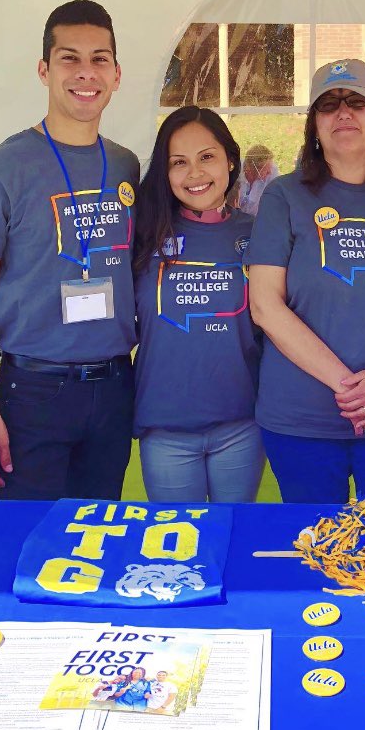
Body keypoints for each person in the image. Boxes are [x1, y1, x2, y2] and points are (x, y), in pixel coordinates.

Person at [0, 0, 139, 500]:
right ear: (44, 69)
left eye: (99, 59)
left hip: (115, 386)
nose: (85, 73)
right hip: (33, 391)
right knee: (31, 545)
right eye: (69, 58)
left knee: (97, 538)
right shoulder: (0, 169)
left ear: (117, 74)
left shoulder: (126, 166)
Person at [244, 59, 365, 504]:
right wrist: (352, 388)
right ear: (314, 124)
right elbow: (265, 305)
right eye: (328, 104)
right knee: (315, 558)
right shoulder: (284, 197)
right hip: (302, 419)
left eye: (357, 101)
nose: (343, 113)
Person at [133, 106, 264, 502]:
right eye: (179, 162)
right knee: (178, 548)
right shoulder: (141, 233)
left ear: (230, 159)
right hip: (166, 428)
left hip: (242, 424)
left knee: (232, 538)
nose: (195, 174)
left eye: (206, 157)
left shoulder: (258, 233)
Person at [233, 145, 279, 216]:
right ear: (252, 169)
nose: (270, 172)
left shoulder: (272, 174)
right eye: (266, 170)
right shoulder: (234, 173)